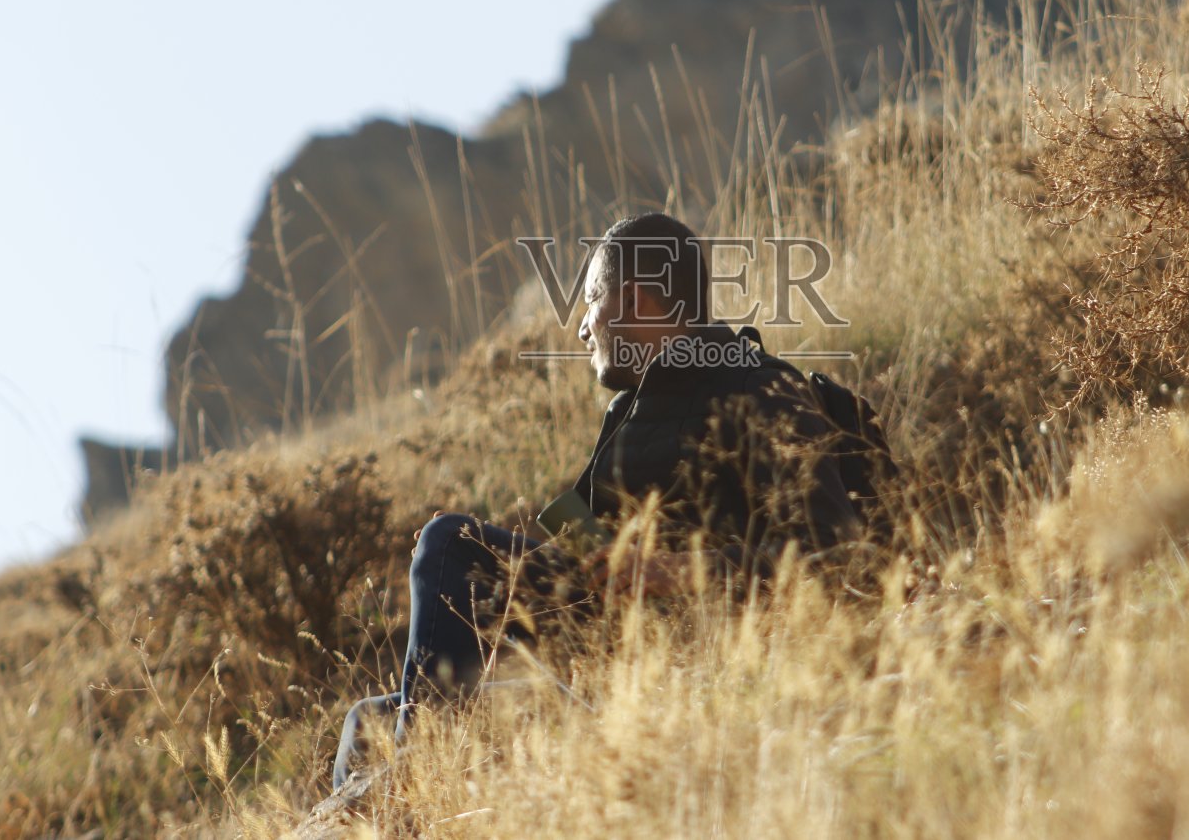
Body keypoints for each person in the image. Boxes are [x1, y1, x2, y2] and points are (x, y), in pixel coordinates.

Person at [333, 212, 865, 788]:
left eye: (590, 301)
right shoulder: (628, 412)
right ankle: (416, 765)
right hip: (611, 641)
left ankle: (421, 779)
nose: (583, 328)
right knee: (366, 720)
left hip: (704, 658)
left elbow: (834, 558)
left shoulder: (761, 387)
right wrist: (466, 560)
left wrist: (679, 571)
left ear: (634, 301)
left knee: (448, 544)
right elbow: (588, 563)